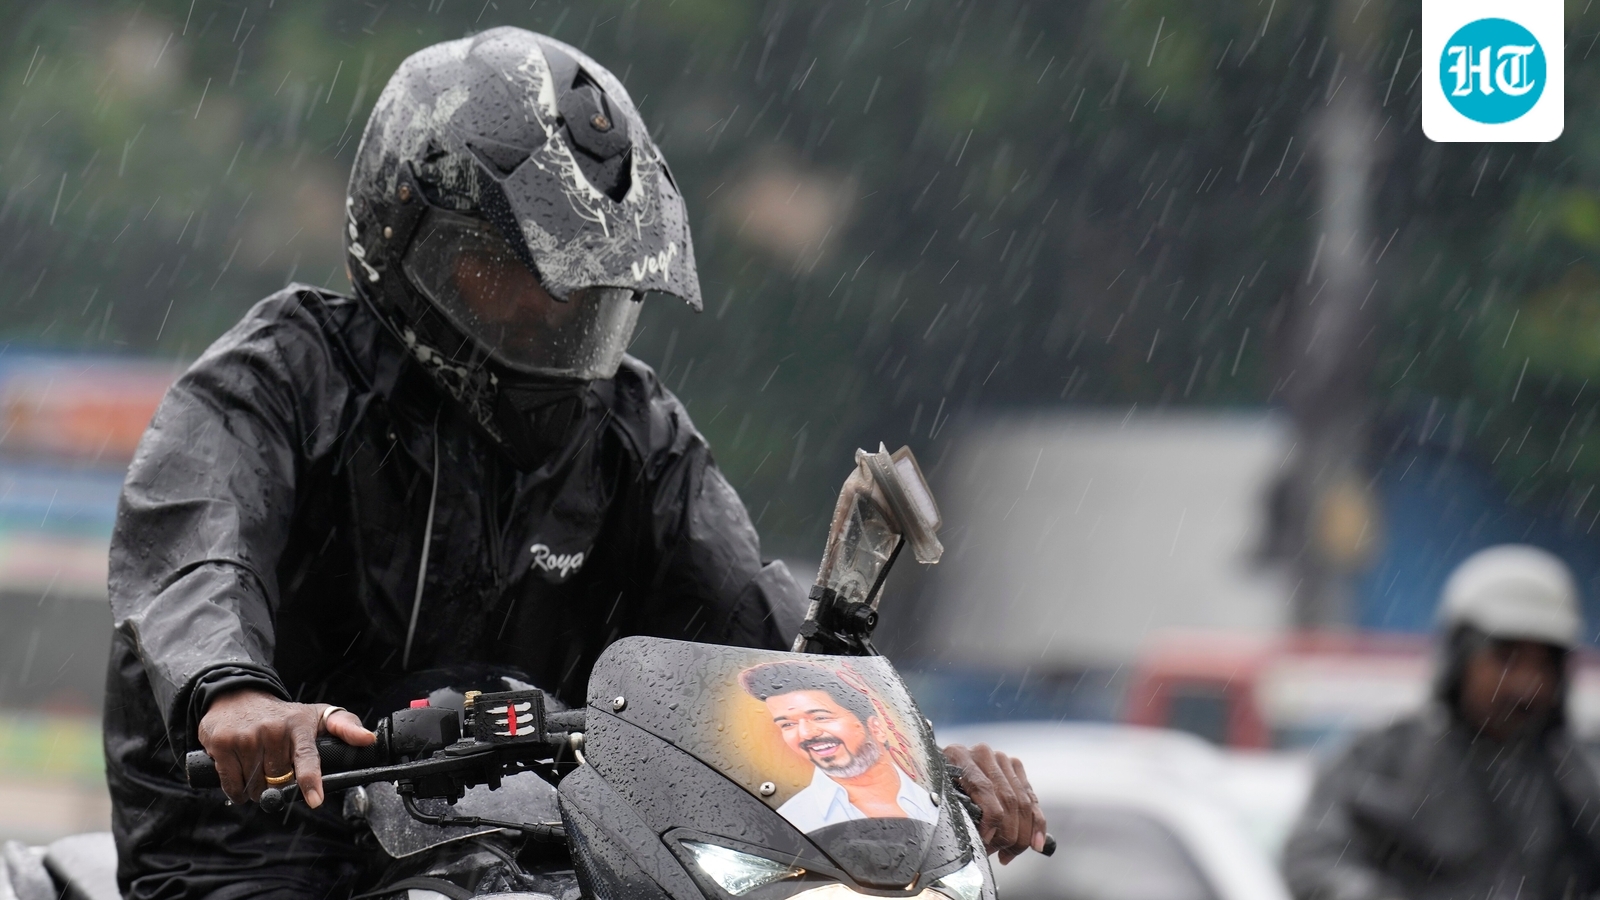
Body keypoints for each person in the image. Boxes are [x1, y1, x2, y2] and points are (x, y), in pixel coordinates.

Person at [105, 27, 1045, 900]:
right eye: (509, 273)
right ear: (405, 233)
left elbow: (764, 659)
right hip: (260, 852)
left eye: (582, 287)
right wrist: (233, 694)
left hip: (524, 854)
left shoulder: (631, 433)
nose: (550, 314)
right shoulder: (277, 380)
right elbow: (195, 555)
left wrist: (904, 762)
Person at [1283, 544, 1600, 900]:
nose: (1525, 684)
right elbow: (1315, 857)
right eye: (1507, 659)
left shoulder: (1574, 779)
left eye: (1543, 665)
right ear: (1460, 657)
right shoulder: (1386, 760)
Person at [740, 661, 939, 832]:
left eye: (820, 717)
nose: (806, 734)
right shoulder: (789, 822)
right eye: (787, 724)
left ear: (876, 728)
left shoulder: (939, 802)